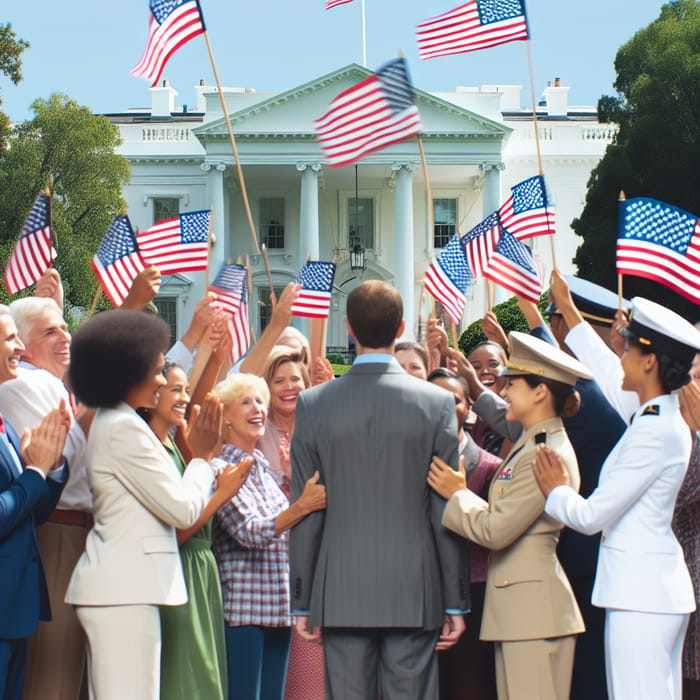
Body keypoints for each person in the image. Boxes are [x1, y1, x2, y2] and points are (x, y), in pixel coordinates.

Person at [289, 280, 469, 700]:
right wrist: (455, 598)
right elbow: (446, 503)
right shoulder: (436, 404)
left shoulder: (314, 404)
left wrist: (302, 597)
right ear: (401, 326)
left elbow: (306, 506)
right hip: (415, 588)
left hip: (341, 590)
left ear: (348, 328)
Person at [534, 280, 700, 700]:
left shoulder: (654, 430)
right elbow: (606, 372)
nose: (619, 355)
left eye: (628, 349)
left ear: (649, 363)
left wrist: (557, 491)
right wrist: (569, 314)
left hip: (641, 594)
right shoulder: (655, 413)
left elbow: (590, 518)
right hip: (648, 590)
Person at [64, 310, 230, 700]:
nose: (162, 381)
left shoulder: (121, 423)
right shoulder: (123, 428)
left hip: (125, 591)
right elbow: (184, 510)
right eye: (155, 371)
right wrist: (203, 459)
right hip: (122, 592)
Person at [429, 331, 590, 700]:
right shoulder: (532, 444)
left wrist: (456, 493)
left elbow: (496, 530)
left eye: (513, 383)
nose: (503, 392)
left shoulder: (541, 452)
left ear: (539, 392)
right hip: (523, 612)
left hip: (533, 614)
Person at [212, 373, 326, 700]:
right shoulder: (221, 469)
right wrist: (301, 506)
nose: (257, 408)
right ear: (225, 417)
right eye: (245, 401)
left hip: (279, 606)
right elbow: (249, 532)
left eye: (260, 400)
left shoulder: (262, 466)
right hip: (244, 609)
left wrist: (300, 494)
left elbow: (286, 532)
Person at [0, 296, 92, 700]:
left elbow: (39, 498)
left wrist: (48, 468)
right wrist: (37, 470)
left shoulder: (8, 421)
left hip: (26, 582)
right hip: (36, 560)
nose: (17, 347)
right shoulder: (24, 387)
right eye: (8, 339)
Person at [144, 361, 253, 700]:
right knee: (186, 678)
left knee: (206, 677)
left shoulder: (176, 446)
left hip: (202, 573)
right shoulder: (152, 449)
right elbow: (173, 533)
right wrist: (222, 494)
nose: (183, 398)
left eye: (185, 390)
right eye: (175, 390)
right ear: (153, 395)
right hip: (179, 572)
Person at [255, 345, 325, 700]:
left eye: (295, 379)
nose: (288, 387)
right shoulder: (255, 430)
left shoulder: (322, 426)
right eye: (278, 380)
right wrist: (286, 477)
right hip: (272, 566)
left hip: (320, 560)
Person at [427, 368, 501, 700]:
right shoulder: (404, 462)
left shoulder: (490, 467)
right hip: (421, 594)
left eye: (453, 400)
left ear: (468, 407)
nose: (443, 407)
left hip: (475, 592)